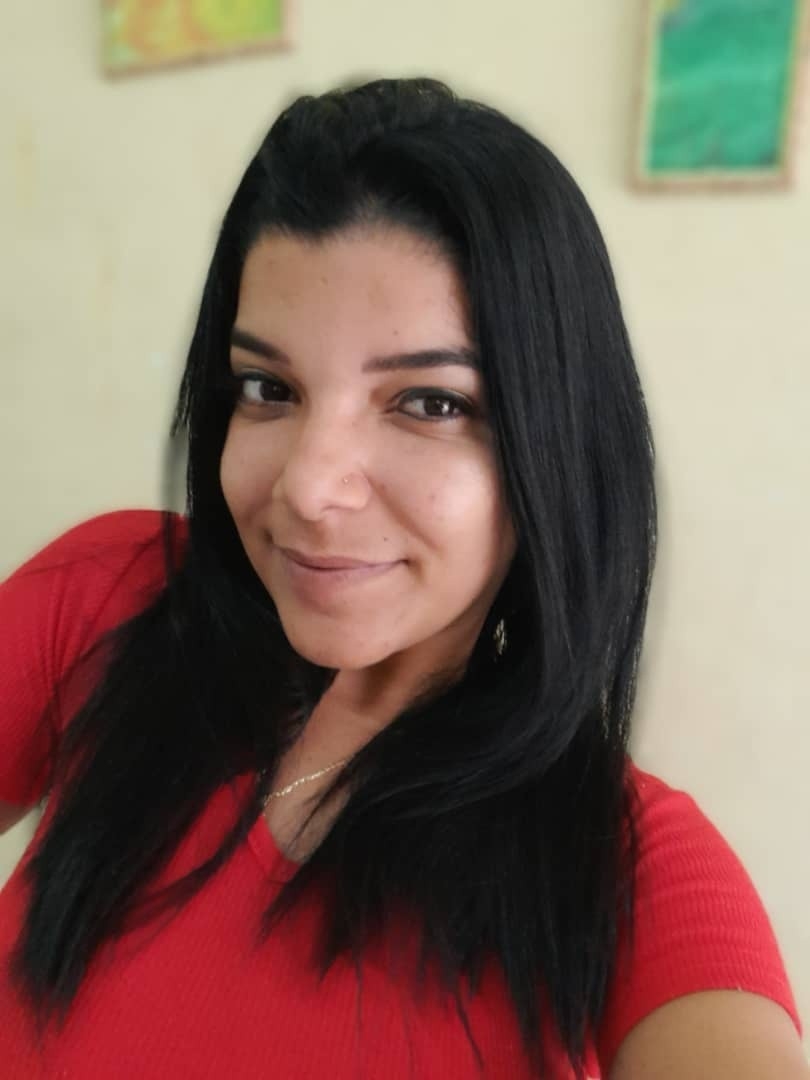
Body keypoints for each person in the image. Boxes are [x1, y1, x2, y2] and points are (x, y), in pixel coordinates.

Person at [0, 78, 805, 1079]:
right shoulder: (109, 601)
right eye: (268, 388)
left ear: (553, 445)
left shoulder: (630, 870)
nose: (309, 487)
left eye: (429, 402)